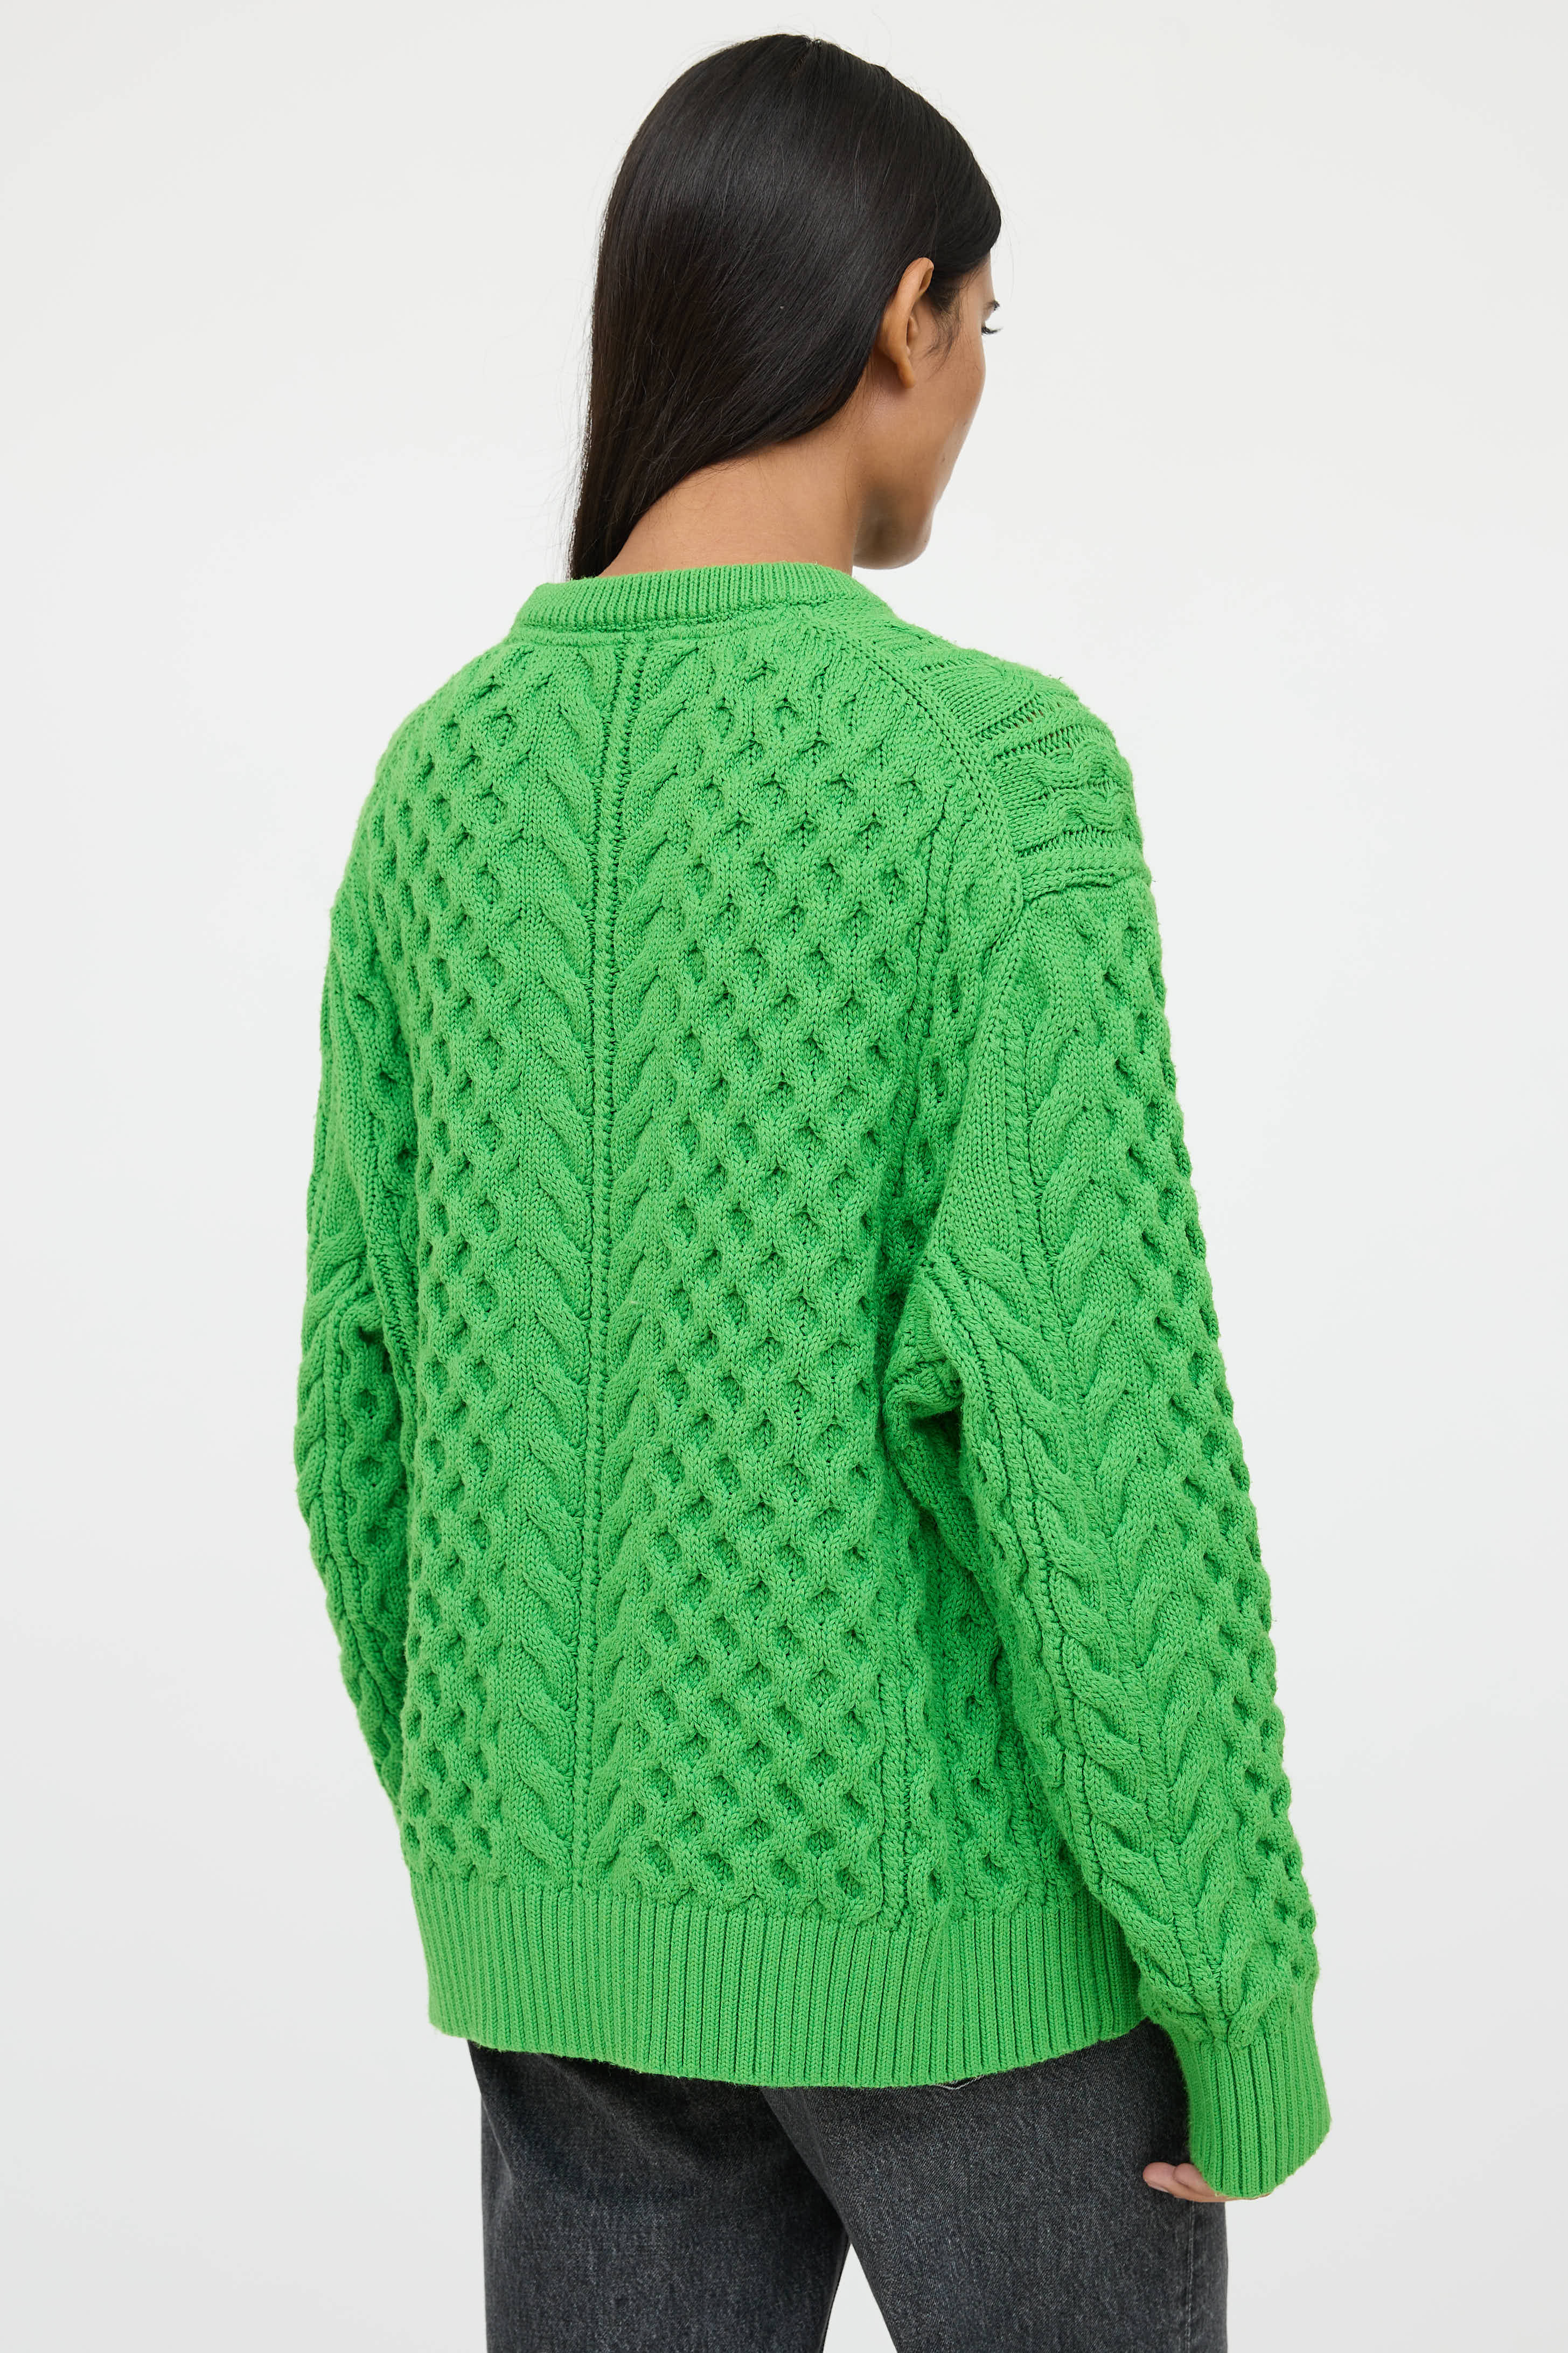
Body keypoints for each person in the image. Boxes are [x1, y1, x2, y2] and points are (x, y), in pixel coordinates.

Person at [294, 32, 1330, 2352]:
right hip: (980, 1963)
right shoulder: (993, 778)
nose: (979, 385)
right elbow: (1099, 1431)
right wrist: (1234, 1981)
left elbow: (359, 1419)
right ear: (900, 314)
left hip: (570, 1972)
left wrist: (516, 1854)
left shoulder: (438, 787)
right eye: (986, 325)